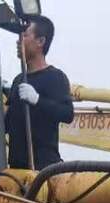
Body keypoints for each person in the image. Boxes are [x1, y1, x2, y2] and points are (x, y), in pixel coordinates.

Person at [4, 16, 73, 170]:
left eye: (24, 35)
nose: (18, 41)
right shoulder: (19, 80)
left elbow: (67, 113)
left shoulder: (55, 77)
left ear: (40, 41)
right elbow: (8, 122)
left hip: (43, 171)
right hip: (16, 171)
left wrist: (37, 100)